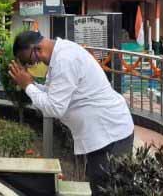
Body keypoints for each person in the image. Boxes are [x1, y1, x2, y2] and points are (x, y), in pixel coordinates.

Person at [8, 31, 133, 195]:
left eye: (28, 61)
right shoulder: (59, 55)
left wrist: (28, 86)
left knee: (108, 189)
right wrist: (30, 84)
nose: (31, 65)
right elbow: (53, 94)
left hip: (110, 134)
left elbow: (54, 107)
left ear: (37, 49)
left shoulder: (64, 60)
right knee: (101, 186)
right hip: (103, 135)